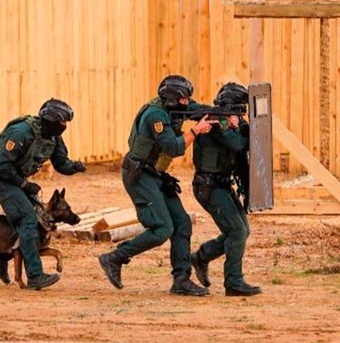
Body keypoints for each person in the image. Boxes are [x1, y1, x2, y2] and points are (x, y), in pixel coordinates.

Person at [98, 75, 214, 296]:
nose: (185, 103)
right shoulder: (155, 116)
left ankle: (181, 280)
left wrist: (221, 113)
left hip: (155, 173)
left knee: (182, 223)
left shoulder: (173, 108)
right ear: (171, 99)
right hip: (140, 174)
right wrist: (196, 131)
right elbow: (173, 147)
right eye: (182, 99)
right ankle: (115, 257)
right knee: (162, 228)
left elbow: (196, 108)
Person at [0, 98, 86, 290]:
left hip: (18, 179)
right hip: (3, 179)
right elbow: (1, 166)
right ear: (50, 120)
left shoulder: (52, 137)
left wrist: (74, 167)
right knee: (28, 219)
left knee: (39, 218)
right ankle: (35, 276)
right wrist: (24, 184)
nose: (64, 126)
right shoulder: (21, 132)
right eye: (61, 122)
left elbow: (61, 163)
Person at [189, 82, 261, 297]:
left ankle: (201, 257)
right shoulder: (216, 121)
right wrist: (234, 126)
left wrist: (239, 124)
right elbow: (239, 144)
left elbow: (247, 135)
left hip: (220, 183)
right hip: (209, 185)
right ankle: (233, 282)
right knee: (237, 232)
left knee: (241, 231)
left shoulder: (225, 120)